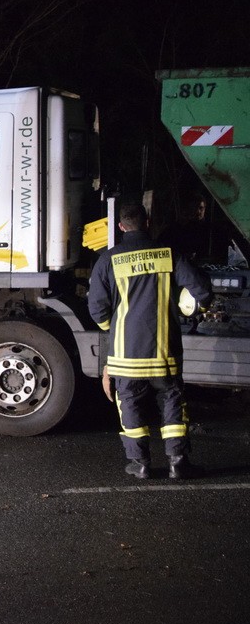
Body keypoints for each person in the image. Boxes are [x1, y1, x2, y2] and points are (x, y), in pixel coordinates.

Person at [88, 202, 213, 480]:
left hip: (125, 355)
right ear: (147, 223)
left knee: (129, 404)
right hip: (163, 353)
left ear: (120, 227)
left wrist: (115, 328)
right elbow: (202, 291)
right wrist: (190, 308)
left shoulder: (108, 260)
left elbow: (97, 307)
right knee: (171, 401)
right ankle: (178, 462)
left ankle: (140, 463)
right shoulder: (169, 255)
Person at [158, 192, 213, 262]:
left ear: (205, 209)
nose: (198, 211)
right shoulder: (180, 227)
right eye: (195, 208)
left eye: (201, 208)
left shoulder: (208, 229)